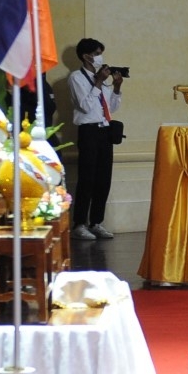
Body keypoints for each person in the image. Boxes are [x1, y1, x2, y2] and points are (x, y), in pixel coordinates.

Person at [68, 37, 123, 240]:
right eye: (97, 53)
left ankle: (96, 222)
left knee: (103, 179)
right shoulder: (77, 78)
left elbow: (112, 108)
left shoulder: (103, 80)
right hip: (88, 131)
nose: (100, 57)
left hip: (105, 131)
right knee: (87, 178)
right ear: (86, 56)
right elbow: (85, 105)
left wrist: (115, 87)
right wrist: (99, 82)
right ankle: (79, 224)